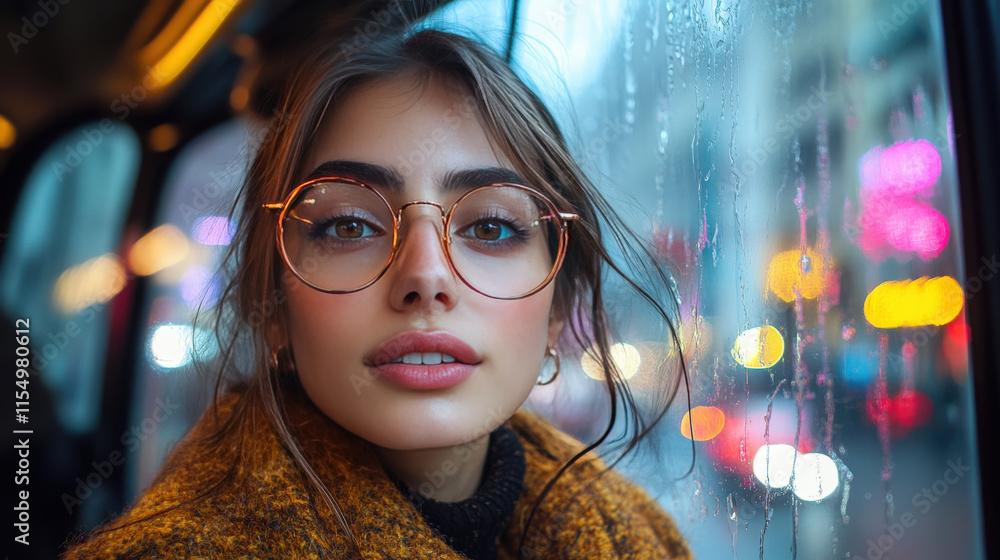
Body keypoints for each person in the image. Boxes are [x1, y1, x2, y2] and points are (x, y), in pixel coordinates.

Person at [62, 22, 693, 560]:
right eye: (349, 226)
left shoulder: (643, 539)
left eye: (492, 227)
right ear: (274, 304)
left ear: (557, 308)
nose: (425, 276)